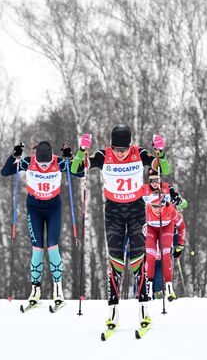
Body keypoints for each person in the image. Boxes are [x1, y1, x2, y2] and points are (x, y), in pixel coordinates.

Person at [71, 124, 170, 330]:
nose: (121, 153)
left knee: (136, 262)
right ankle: (113, 311)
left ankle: (144, 308)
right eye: (117, 149)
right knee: (115, 262)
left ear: (130, 146)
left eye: (124, 149)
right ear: (112, 146)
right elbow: (76, 170)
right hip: (113, 213)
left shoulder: (139, 153)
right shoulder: (103, 155)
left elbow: (164, 169)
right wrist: (81, 151)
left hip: (135, 212)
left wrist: (160, 152)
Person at [1, 141, 76, 307]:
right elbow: (5, 172)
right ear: (36, 158)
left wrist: (72, 157)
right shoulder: (28, 162)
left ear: (51, 158)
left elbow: (80, 171)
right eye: (41, 164)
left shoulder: (59, 162)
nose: (43, 167)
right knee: (37, 247)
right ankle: (35, 289)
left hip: (53, 207)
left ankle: (58, 289)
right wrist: (14, 155)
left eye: (46, 164)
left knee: (52, 246)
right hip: (34, 207)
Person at [145, 193, 186, 301]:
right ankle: (148, 290)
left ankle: (169, 289)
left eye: (161, 206)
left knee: (166, 255)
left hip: (166, 229)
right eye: (155, 206)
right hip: (151, 230)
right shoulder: (145, 210)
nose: (158, 209)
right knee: (150, 257)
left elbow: (182, 227)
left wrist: (180, 245)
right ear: (150, 204)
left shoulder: (170, 209)